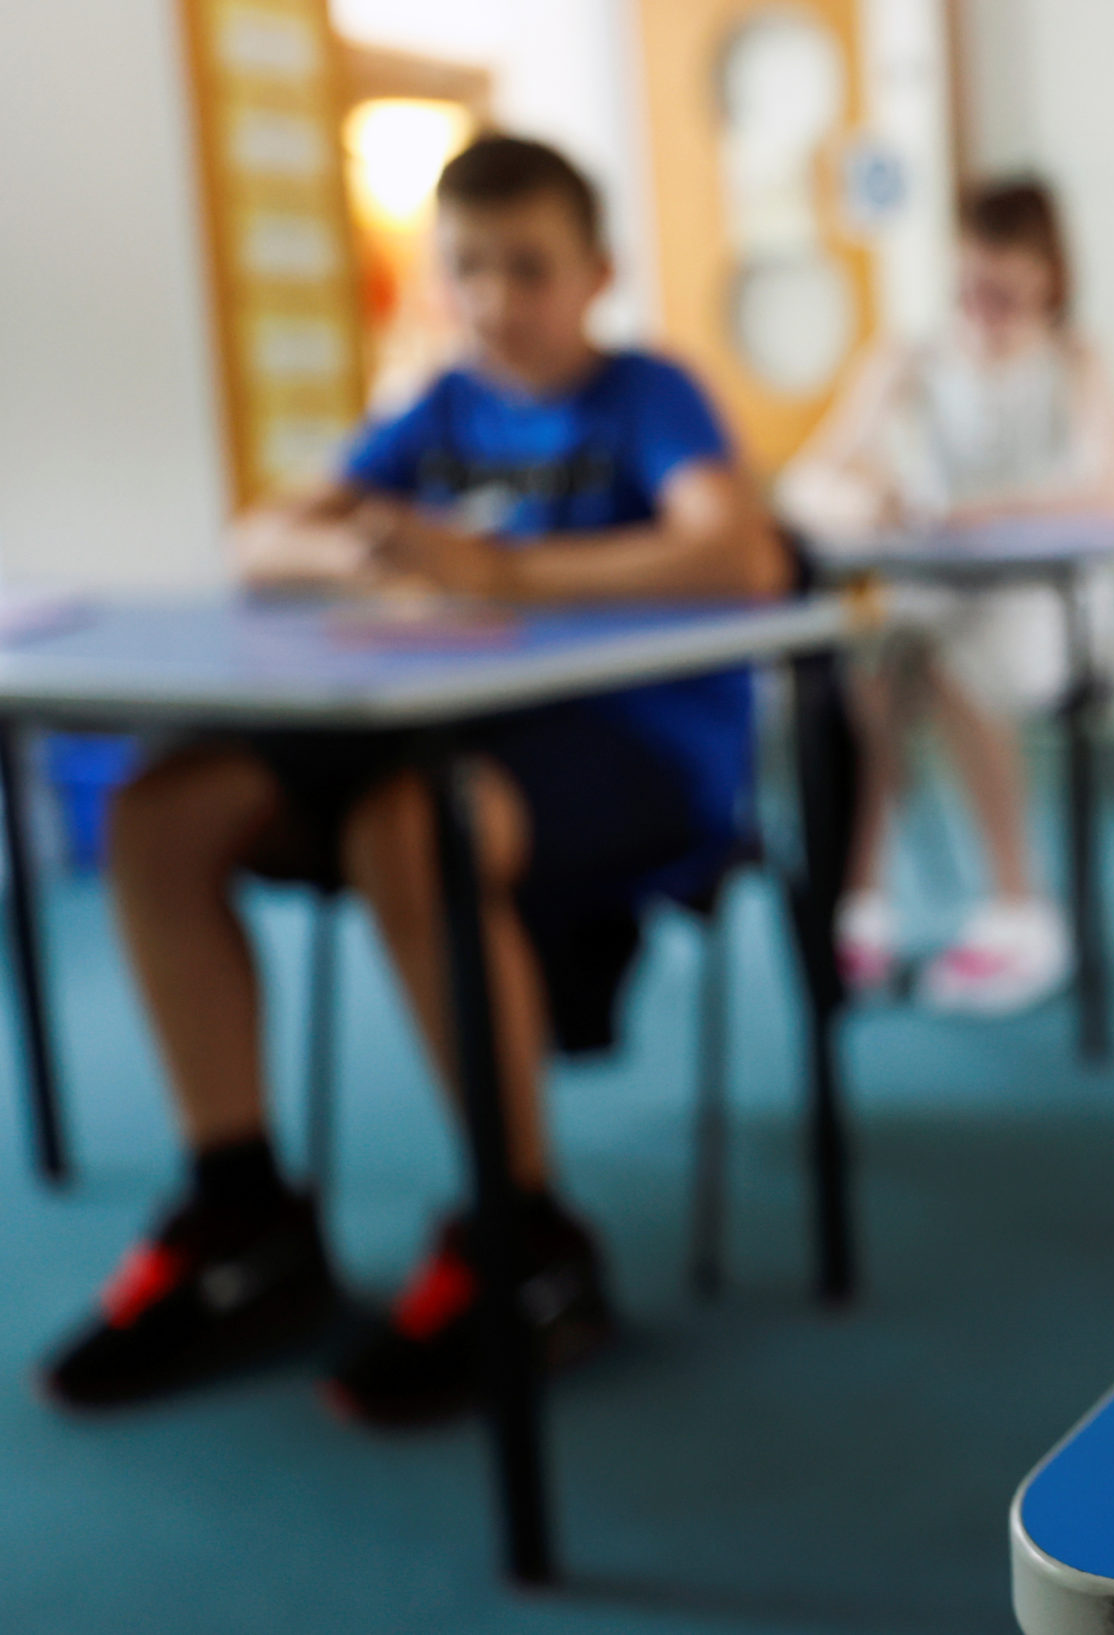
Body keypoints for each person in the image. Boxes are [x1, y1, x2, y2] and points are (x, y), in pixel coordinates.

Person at [39, 136, 791, 1419]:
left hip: (639, 743)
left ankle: (527, 1244)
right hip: (435, 719)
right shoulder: (435, 409)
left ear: (596, 272)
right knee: (161, 809)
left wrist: (505, 575)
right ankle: (243, 1222)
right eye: (469, 269)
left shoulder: (647, 394)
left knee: (416, 829)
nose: (498, 299)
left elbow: (738, 556)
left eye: (529, 269)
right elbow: (265, 535)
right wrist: (377, 553)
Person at [777, 178, 1114, 1014]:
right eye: (969, 289)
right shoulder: (911, 355)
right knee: (869, 657)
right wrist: (864, 500)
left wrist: (989, 507)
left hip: (1053, 604)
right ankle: (861, 900)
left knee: (947, 654)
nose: (983, 309)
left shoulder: (1076, 358)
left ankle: (1021, 908)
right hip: (936, 591)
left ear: (1048, 276)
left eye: (1003, 292)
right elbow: (810, 479)